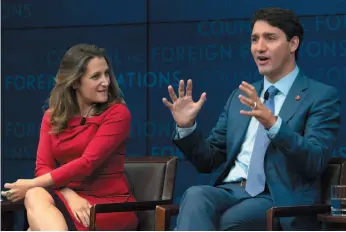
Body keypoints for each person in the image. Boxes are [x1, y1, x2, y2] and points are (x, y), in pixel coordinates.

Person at [162, 7, 341, 230]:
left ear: (293, 44)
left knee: (230, 220)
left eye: (270, 38)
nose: (259, 47)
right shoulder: (241, 96)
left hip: (279, 199)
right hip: (232, 190)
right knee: (196, 195)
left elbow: (314, 161)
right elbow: (208, 160)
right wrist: (186, 126)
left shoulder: (321, 96)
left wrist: (274, 125)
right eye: (254, 39)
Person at [1, 44, 139, 231]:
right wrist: (68, 194)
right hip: (67, 201)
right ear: (74, 82)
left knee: (34, 198)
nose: (106, 82)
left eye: (106, 74)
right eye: (96, 76)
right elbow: (43, 167)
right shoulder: (52, 116)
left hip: (108, 207)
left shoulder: (117, 113)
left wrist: (33, 184)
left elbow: (87, 163)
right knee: (37, 199)